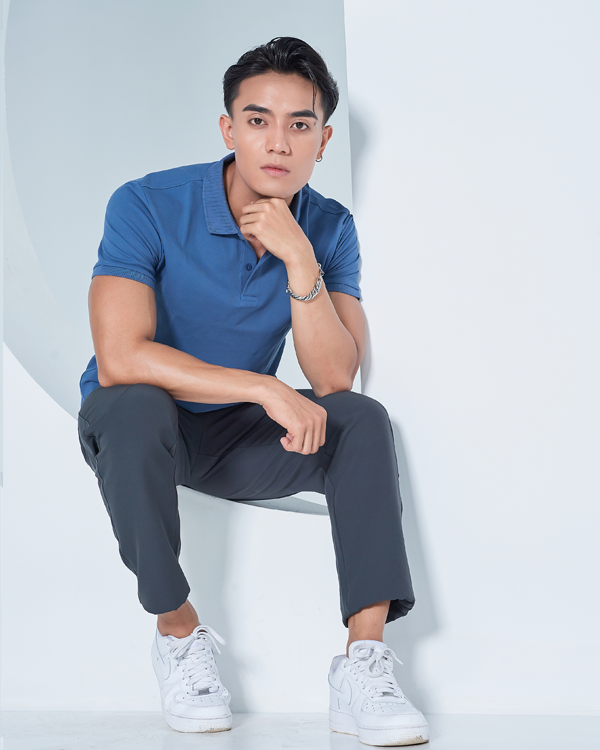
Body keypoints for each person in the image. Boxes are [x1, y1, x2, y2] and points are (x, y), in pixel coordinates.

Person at [77, 36, 429, 747]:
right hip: (142, 428)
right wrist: (263, 386)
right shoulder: (147, 204)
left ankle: (362, 663)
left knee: (361, 419)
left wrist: (300, 257)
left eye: (300, 124)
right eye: (258, 120)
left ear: (323, 141)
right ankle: (179, 635)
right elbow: (120, 358)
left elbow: (334, 380)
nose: (278, 142)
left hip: (235, 437)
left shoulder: (329, 227)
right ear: (228, 129)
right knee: (136, 404)